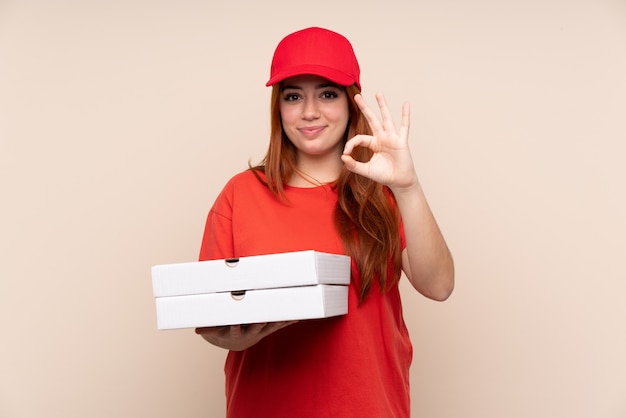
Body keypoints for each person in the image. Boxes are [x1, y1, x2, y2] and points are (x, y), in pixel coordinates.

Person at [195, 26, 454, 418]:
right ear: (278, 107)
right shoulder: (239, 195)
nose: (309, 111)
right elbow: (210, 318)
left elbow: (439, 286)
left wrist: (409, 186)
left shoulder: (383, 192)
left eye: (327, 94)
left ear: (351, 103)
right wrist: (230, 337)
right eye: (293, 96)